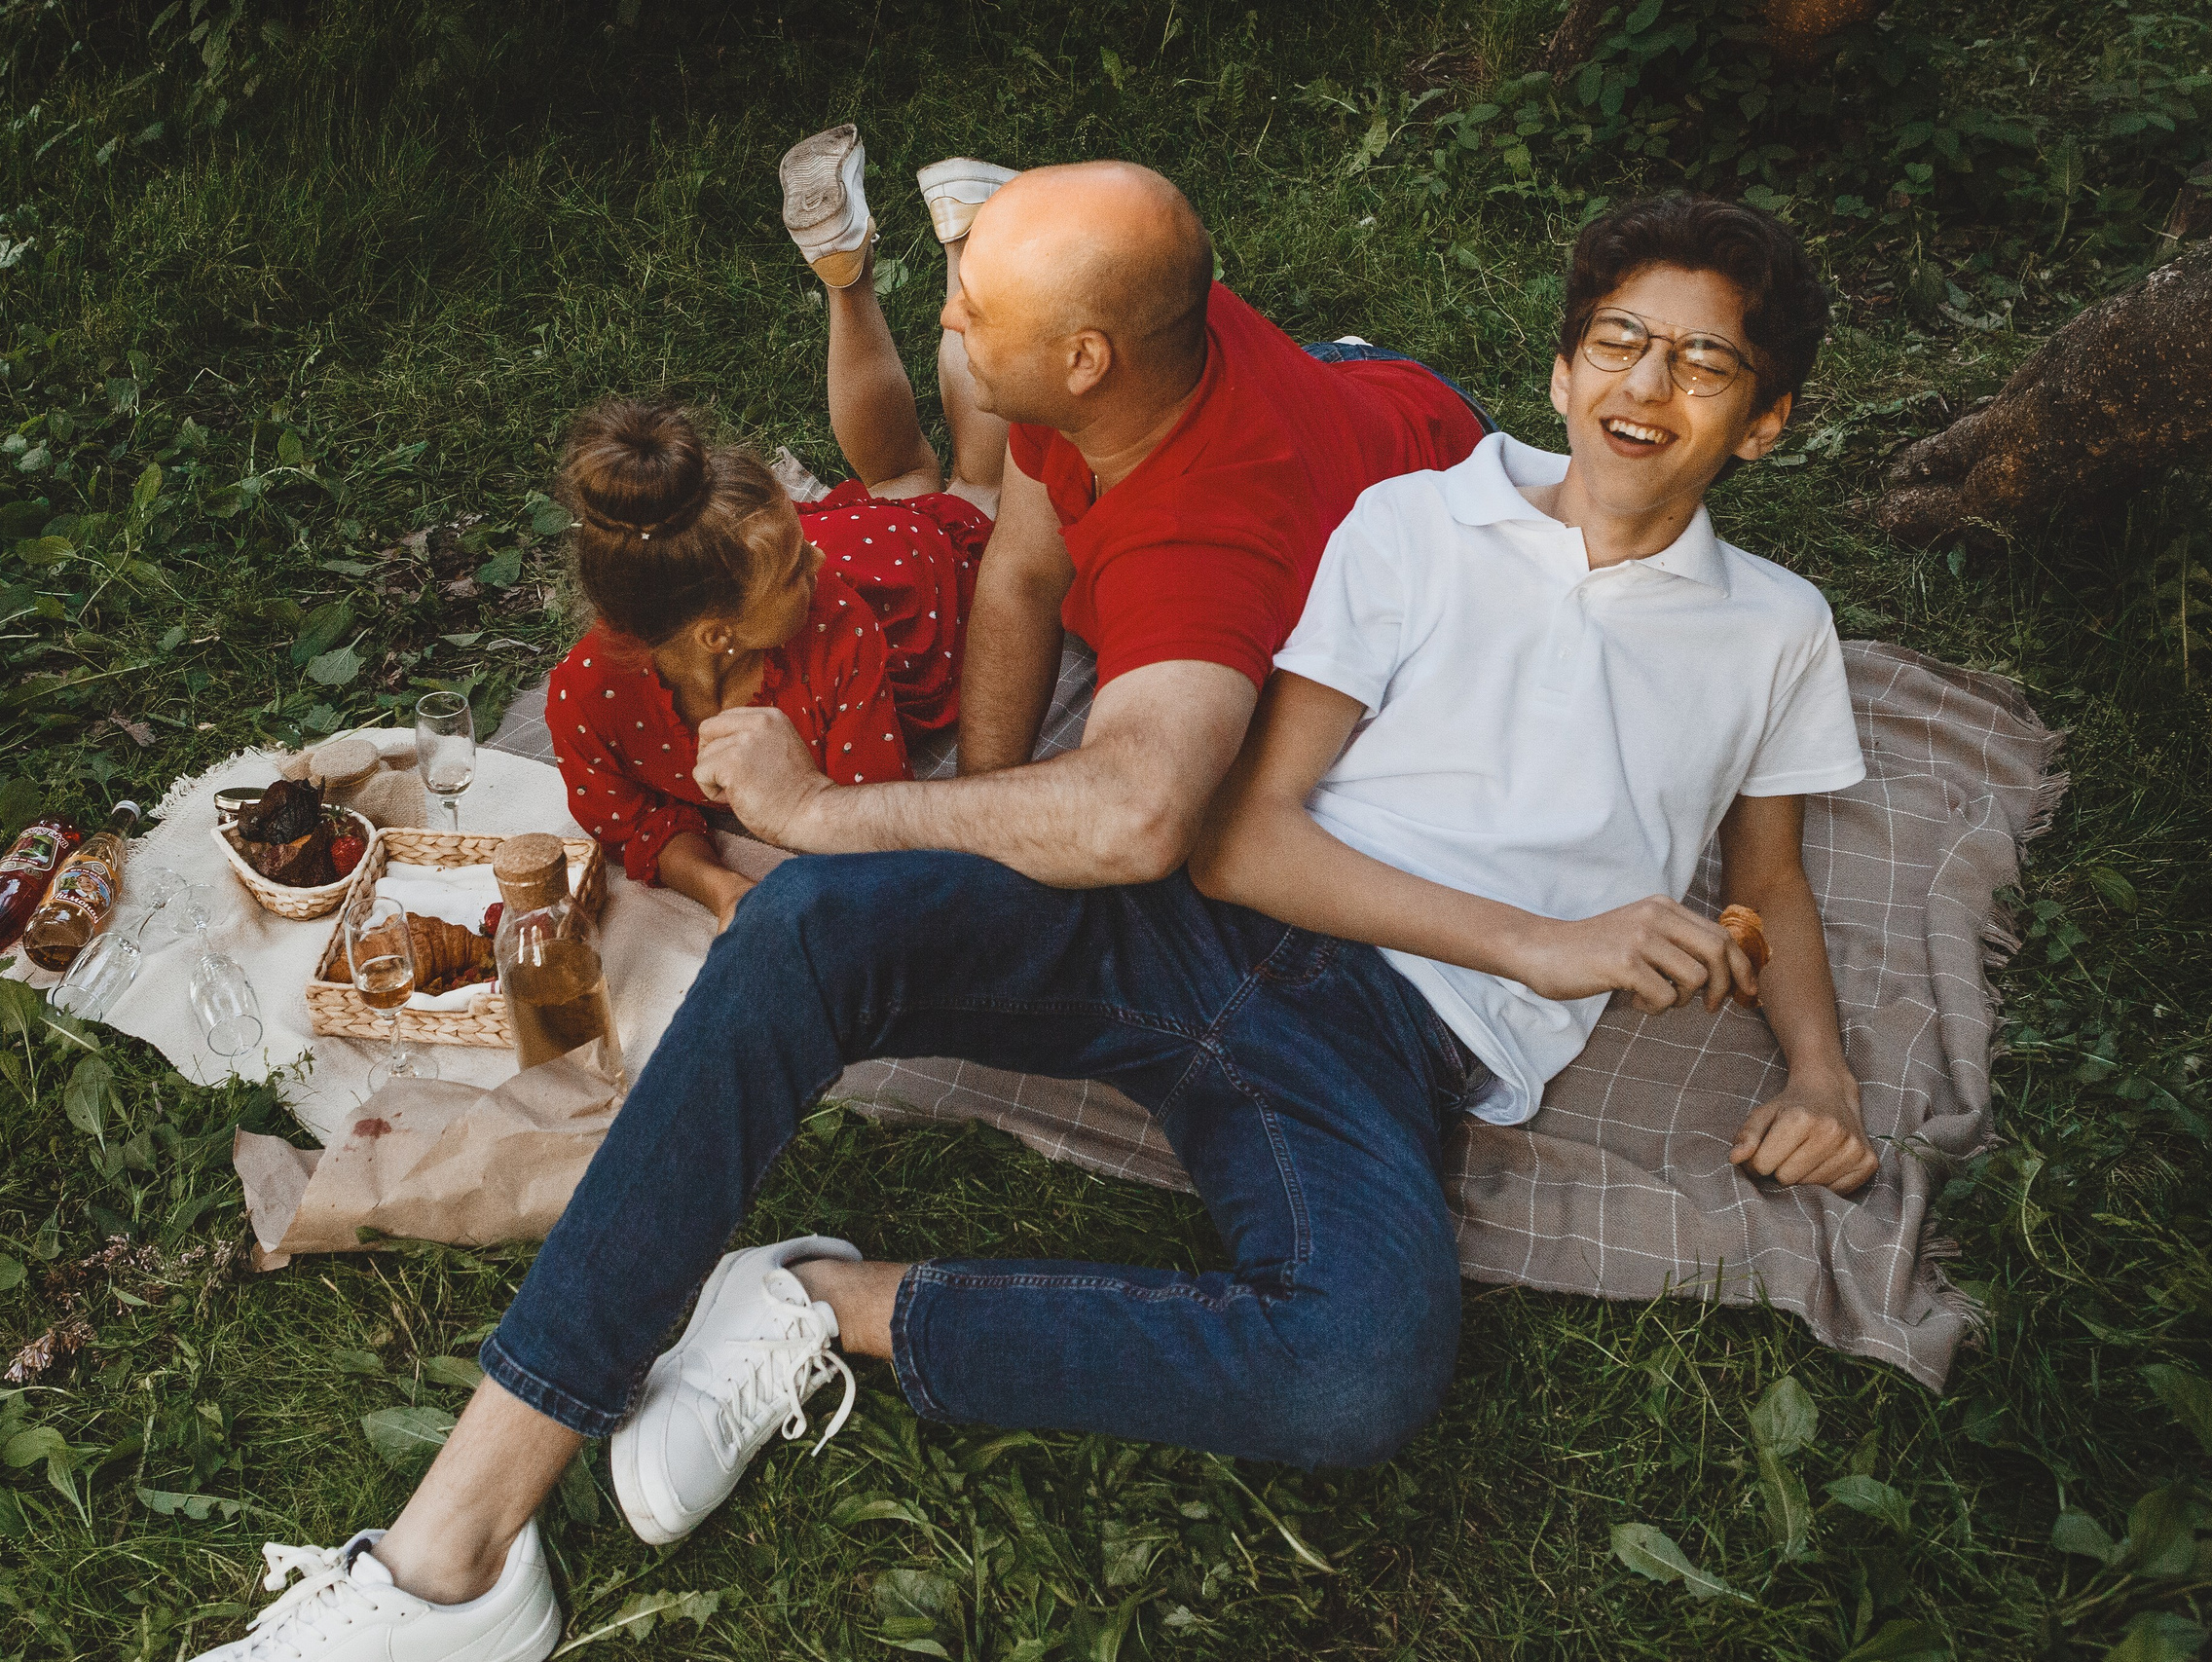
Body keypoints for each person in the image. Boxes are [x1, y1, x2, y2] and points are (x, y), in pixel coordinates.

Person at [184, 193, 1877, 1662]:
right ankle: (453, 1554)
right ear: (1567, 362)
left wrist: (1822, 1072)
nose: (1644, 387)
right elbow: (1245, 847)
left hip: (1388, 1055)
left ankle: (815, 1306)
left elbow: (1774, 881)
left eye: (1703, 362)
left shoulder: (1779, 634)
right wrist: (1548, 939)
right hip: (1181, 932)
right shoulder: (1420, 519)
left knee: (1364, 1366)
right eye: (1616, 344)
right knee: (817, 920)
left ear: (1775, 419)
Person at [689, 155, 1488, 888]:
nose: (950, 314)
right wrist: (978, 817)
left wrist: (814, 808)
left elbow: (1138, 816)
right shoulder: (1104, 374)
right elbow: (1023, 573)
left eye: (980, 307)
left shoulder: (1195, 553)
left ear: (1084, 360)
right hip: (1366, 388)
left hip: (1440, 472)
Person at [543, 126, 1007, 929]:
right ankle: (864, 261)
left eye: (800, 542)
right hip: (865, 545)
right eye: (795, 566)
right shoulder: (586, 693)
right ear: (717, 635)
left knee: (974, 486)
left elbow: (868, 822)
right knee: (897, 477)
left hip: (906, 577)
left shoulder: (834, 623)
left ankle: (967, 248)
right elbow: (632, 820)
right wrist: (723, 889)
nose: (815, 556)